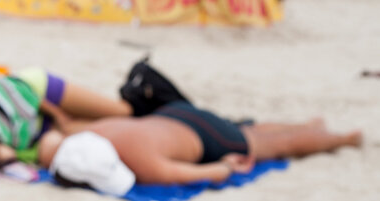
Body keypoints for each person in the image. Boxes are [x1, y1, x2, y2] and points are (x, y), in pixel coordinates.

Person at [38, 102, 362, 195]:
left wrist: (227, 165)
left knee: (274, 147)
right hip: (171, 114)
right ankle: (309, 125)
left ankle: (344, 139)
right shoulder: (91, 135)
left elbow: (212, 172)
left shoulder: (145, 166)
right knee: (247, 130)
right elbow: (55, 137)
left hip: (199, 136)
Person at [0, 69, 136, 163]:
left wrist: (58, 115)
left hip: (41, 93)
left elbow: (24, 93)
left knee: (124, 112)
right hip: (37, 127)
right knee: (116, 128)